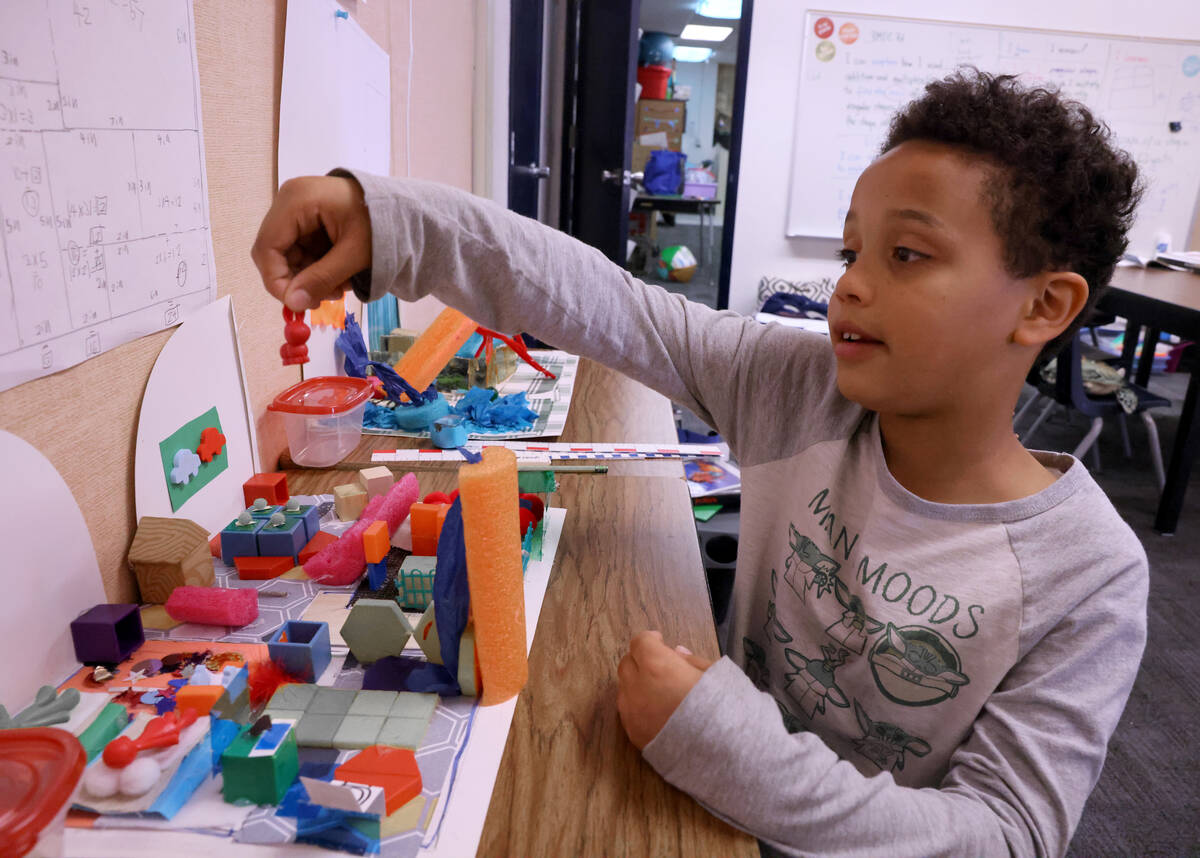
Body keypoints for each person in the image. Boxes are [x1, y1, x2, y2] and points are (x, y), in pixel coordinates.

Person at [251, 70, 1147, 857]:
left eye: (905, 255)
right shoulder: (802, 388)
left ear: (1044, 305)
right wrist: (393, 221)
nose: (851, 285)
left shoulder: (1088, 576)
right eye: (851, 252)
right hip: (698, 801)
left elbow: (1007, 836)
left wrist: (722, 741)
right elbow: (611, 303)